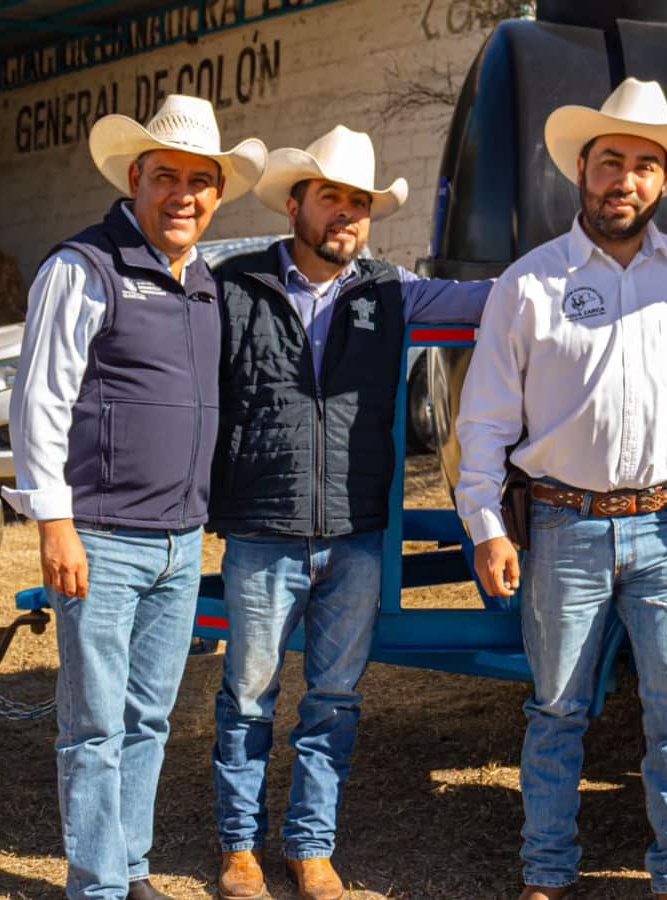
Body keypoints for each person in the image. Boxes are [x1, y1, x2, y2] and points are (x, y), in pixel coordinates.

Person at [454, 78, 667, 900]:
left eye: (644, 166)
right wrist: (487, 525)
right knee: (555, 711)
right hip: (562, 526)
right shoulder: (529, 284)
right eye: (610, 161)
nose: (625, 179)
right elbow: (481, 421)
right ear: (580, 170)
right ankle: (547, 874)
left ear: (663, 183)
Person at [205, 125, 493, 900]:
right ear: (295, 202)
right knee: (248, 695)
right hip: (263, 528)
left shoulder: (389, 290)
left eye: (359, 204)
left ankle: (311, 846)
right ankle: (239, 848)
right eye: (331, 197)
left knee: (333, 699)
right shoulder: (233, 288)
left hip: (357, 533)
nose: (346, 216)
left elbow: (492, 300)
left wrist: (579, 274)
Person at [3, 95, 265, 900]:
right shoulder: (81, 269)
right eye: (166, 178)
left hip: (181, 540)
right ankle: (96, 885)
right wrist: (55, 523)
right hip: (102, 537)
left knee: (150, 719)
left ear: (216, 195)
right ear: (134, 178)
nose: (183, 195)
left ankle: (132, 867)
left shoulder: (204, 286)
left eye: (199, 182)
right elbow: (39, 400)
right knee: (93, 725)